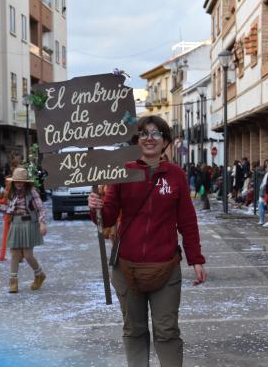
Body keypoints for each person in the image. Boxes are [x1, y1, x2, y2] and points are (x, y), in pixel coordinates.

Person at [87, 115, 206, 367]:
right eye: (143, 133)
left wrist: (196, 259)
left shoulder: (176, 176)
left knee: (167, 331)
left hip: (166, 267)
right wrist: (95, 206)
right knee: (134, 330)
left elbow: (187, 220)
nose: (149, 138)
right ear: (136, 140)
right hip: (126, 267)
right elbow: (106, 218)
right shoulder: (122, 173)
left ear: (165, 142)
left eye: (156, 134)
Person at [0, 168, 47, 293]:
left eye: (21, 181)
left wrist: (42, 223)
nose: (19, 184)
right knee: (15, 254)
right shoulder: (13, 194)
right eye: (16, 181)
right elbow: (10, 210)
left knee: (28, 255)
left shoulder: (32, 192)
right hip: (15, 224)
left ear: (26, 182)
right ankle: (13, 283)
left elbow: (41, 208)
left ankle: (40, 275)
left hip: (28, 224)